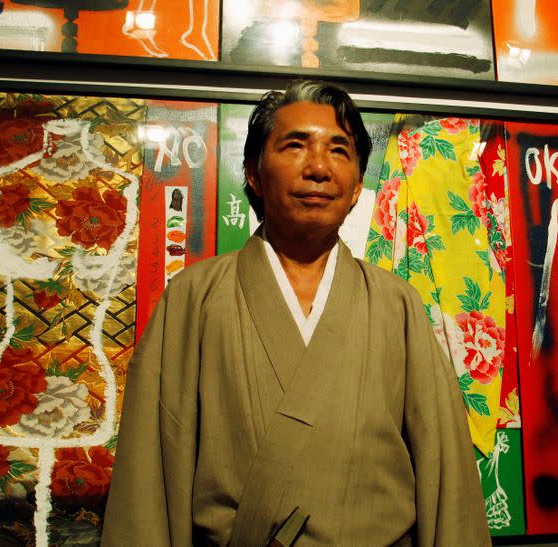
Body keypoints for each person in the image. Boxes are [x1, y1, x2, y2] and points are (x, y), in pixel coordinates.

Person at [102, 79, 490, 546]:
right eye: (295, 145)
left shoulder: (397, 304)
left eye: (339, 151)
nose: (320, 169)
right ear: (253, 172)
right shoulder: (193, 299)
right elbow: (148, 476)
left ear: (356, 188)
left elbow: (447, 476)